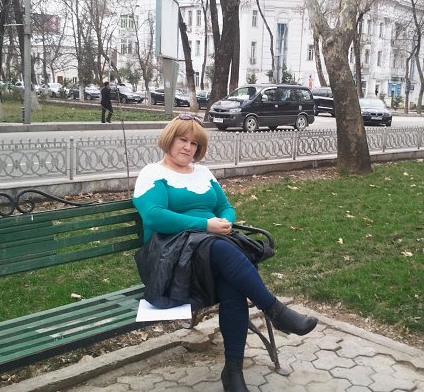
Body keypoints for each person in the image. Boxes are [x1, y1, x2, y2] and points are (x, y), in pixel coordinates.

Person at [132, 115, 318, 392]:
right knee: (219, 248)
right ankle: (275, 310)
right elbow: (154, 216)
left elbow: (225, 208)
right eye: (182, 140)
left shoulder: (202, 173)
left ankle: (233, 372)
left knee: (231, 284)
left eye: (194, 143)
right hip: (170, 258)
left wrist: (225, 222)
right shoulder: (153, 174)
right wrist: (206, 225)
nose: (188, 147)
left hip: (208, 252)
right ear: (169, 140)